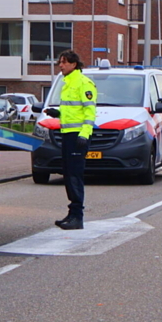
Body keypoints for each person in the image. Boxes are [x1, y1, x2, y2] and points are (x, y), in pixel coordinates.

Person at [54, 50, 97, 230]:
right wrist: (58, 113)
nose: (60, 65)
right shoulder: (67, 83)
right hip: (67, 134)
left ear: (73, 64)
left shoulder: (84, 83)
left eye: (63, 62)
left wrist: (84, 134)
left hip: (77, 136)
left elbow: (89, 112)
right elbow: (73, 110)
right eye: (60, 62)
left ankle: (77, 217)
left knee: (75, 176)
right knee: (68, 174)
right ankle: (72, 213)